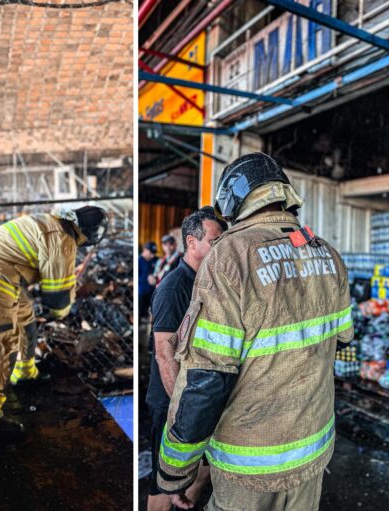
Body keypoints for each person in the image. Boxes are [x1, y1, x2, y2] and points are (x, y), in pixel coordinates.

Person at [157, 153, 354, 511]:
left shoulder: (230, 256)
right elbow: (341, 340)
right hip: (312, 452)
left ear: (233, 202)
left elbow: (206, 381)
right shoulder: (328, 254)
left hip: (248, 465)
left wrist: (174, 471)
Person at [0, 206, 108, 430]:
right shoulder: (63, 240)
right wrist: (59, 313)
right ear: (90, 234)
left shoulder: (56, 224)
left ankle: (25, 373)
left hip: (7, 276)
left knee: (27, 322)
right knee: (1, 345)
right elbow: (58, 297)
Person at [147, 206, 226, 511]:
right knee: (165, 481)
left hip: (199, 398)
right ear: (192, 242)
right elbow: (165, 356)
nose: (220, 248)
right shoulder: (173, 288)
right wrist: (181, 412)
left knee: (201, 468)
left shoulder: (207, 283)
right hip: (173, 401)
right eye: (214, 241)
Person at [139, 241, 157, 318]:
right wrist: (147, 278)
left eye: (154, 253)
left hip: (153, 294)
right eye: (151, 253)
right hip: (141, 294)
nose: (153, 255)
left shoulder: (156, 260)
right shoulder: (138, 261)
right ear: (145, 250)